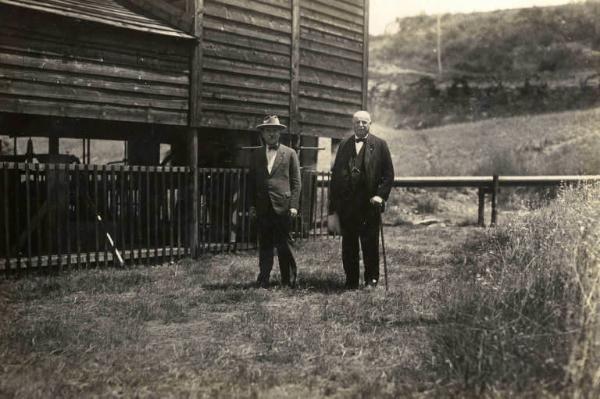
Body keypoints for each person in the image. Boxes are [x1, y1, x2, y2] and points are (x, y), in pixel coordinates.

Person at [329, 110, 394, 289]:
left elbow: (388, 175)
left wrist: (380, 195)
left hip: (369, 205)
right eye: (357, 122)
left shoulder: (380, 145)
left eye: (364, 122)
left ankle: (371, 279)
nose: (361, 125)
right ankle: (351, 280)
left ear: (370, 124)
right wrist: (333, 208)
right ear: (353, 124)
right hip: (348, 206)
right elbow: (335, 178)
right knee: (349, 245)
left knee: (370, 244)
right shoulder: (344, 145)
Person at [248, 115, 301, 289]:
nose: (272, 134)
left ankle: (289, 280)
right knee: (265, 245)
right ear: (262, 133)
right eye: (268, 131)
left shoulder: (290, 153)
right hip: (263, 206)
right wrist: (252, 206)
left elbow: (296, 182)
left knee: (284, 244)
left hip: (283, 206)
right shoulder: (256, 154)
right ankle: (263, 278)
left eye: (275, 131)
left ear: (280, 133)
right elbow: (250, 182)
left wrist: (293, 205)